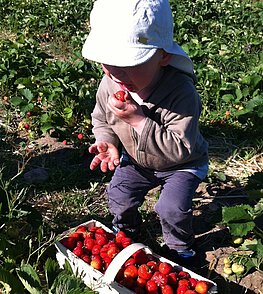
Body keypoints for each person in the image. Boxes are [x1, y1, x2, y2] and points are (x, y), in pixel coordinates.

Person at [82, 0, 209, 259]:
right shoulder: (110, 83)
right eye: (107, 63)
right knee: (118, 194)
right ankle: (126, 233)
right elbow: (102, 118)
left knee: (170, 208)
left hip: (181, 165)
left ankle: (180, 249)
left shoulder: (181, 93)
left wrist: (139, 121)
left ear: (163, 55)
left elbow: (179, 149)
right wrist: (108, 141)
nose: (116, 73)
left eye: (128, 63)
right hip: (138, 160)